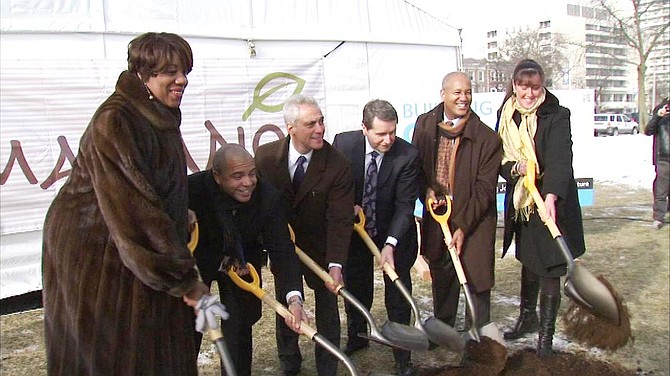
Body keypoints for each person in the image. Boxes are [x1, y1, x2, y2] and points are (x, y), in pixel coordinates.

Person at [42, 32, 215, 375]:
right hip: (95, 254)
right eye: (170, 72)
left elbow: (154, 189)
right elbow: (135, 211)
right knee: (115, 354)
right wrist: (184, 279)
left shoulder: (156, 113)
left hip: (132, 246)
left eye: (185, 72)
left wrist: (181, 213)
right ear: (142, 74)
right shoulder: (117, 120)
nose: (181, 80)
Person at [255, 94, 354, 376]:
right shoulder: (265, 158)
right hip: (282, 245)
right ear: (291, 127)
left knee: (327, 306)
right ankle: (289, 361)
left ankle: (328, 365)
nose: (320, 129)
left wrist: (336, 264)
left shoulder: (338, 164)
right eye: (311, 124)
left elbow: (340, 218)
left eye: (321, 121)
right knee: (288, 299)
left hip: (321, 247)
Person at [187, 144, 307, 376]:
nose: (248, 182)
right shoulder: (191, 191)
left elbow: (282, 250)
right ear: (217, 177)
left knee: (240, 324)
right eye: (237, 176)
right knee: (188, 327)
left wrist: (294, 299)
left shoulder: (268, 197)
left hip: (243, 261)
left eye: (252, 173)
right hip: (199, 260)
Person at [496, 59, 586, 356]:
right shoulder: (507, 114)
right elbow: (502, 159)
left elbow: (562, 160)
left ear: (542, 86)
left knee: (550, 267)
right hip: (525, 204)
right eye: (523, 86)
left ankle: (545, 339)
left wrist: (550, 198)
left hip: (550, 202)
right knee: (529, 261)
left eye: (535, 87)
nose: (529, 93)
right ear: (514, 85)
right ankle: (527, 318)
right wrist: (516, 169)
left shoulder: (557, 115)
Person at [332, 99, 421, 376]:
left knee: (397, 294)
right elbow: (335, 187)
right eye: (380, 134)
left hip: (395, 231)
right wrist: (348, 205)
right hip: (356, 229)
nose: (388, 139)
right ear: (364, 129)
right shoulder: (343, 145)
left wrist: (390, 244)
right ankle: (357, 337)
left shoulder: (407, 155)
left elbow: (405, 206)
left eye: (392, 132)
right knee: (357, 285)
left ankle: (402, 357)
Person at [411, 72, 502, 338]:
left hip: (474, 216)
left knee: (477, 277)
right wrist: (426, 192)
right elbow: (416, 168)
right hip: (438, 214)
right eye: (457, 93)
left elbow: (485, 190)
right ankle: (444, 330)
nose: (464, 98)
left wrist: (462, 225)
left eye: (468, 92)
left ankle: (477, 333)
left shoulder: (486, 138)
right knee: (443, 273)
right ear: (443, 95)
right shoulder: (425, 124)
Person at [644, 97, 670, 230]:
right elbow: (648, 131)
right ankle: (658, 217)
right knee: (661, 190)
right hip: (664, 157)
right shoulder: (660, 110)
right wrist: (658, 117)